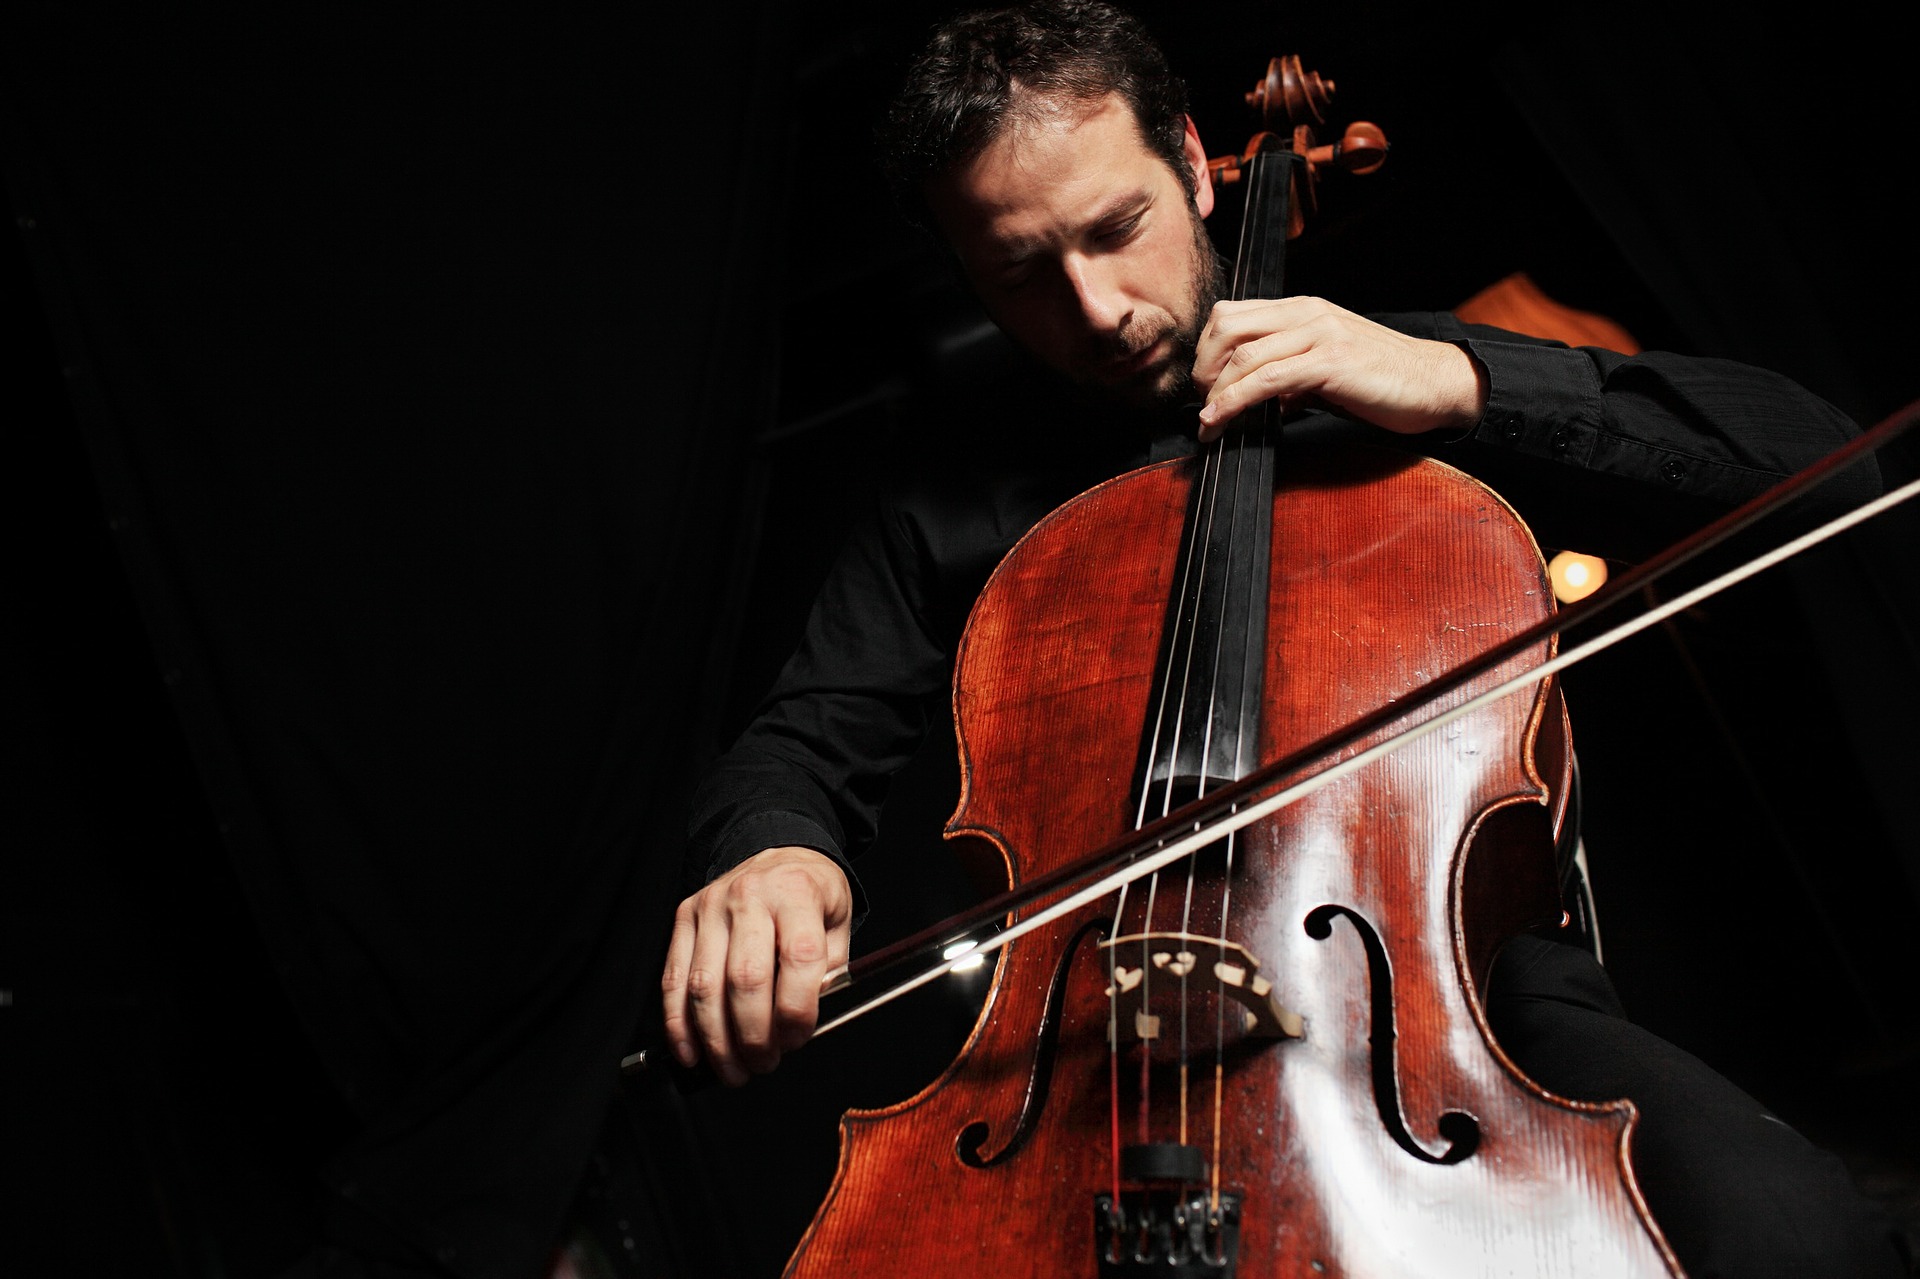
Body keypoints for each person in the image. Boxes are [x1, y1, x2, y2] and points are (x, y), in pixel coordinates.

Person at [660, 2, 1910, 1275]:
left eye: (1116, 230)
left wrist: (1472, 385)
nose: (1095, 308)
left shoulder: (1387, 375)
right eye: (1022, 274)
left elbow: (1824, 464)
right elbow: (801, 743)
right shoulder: (941, 502)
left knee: (1789, 1233)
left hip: (1454, 1010)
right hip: (1091, 1043)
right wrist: (769, 851)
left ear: (1195, 163)